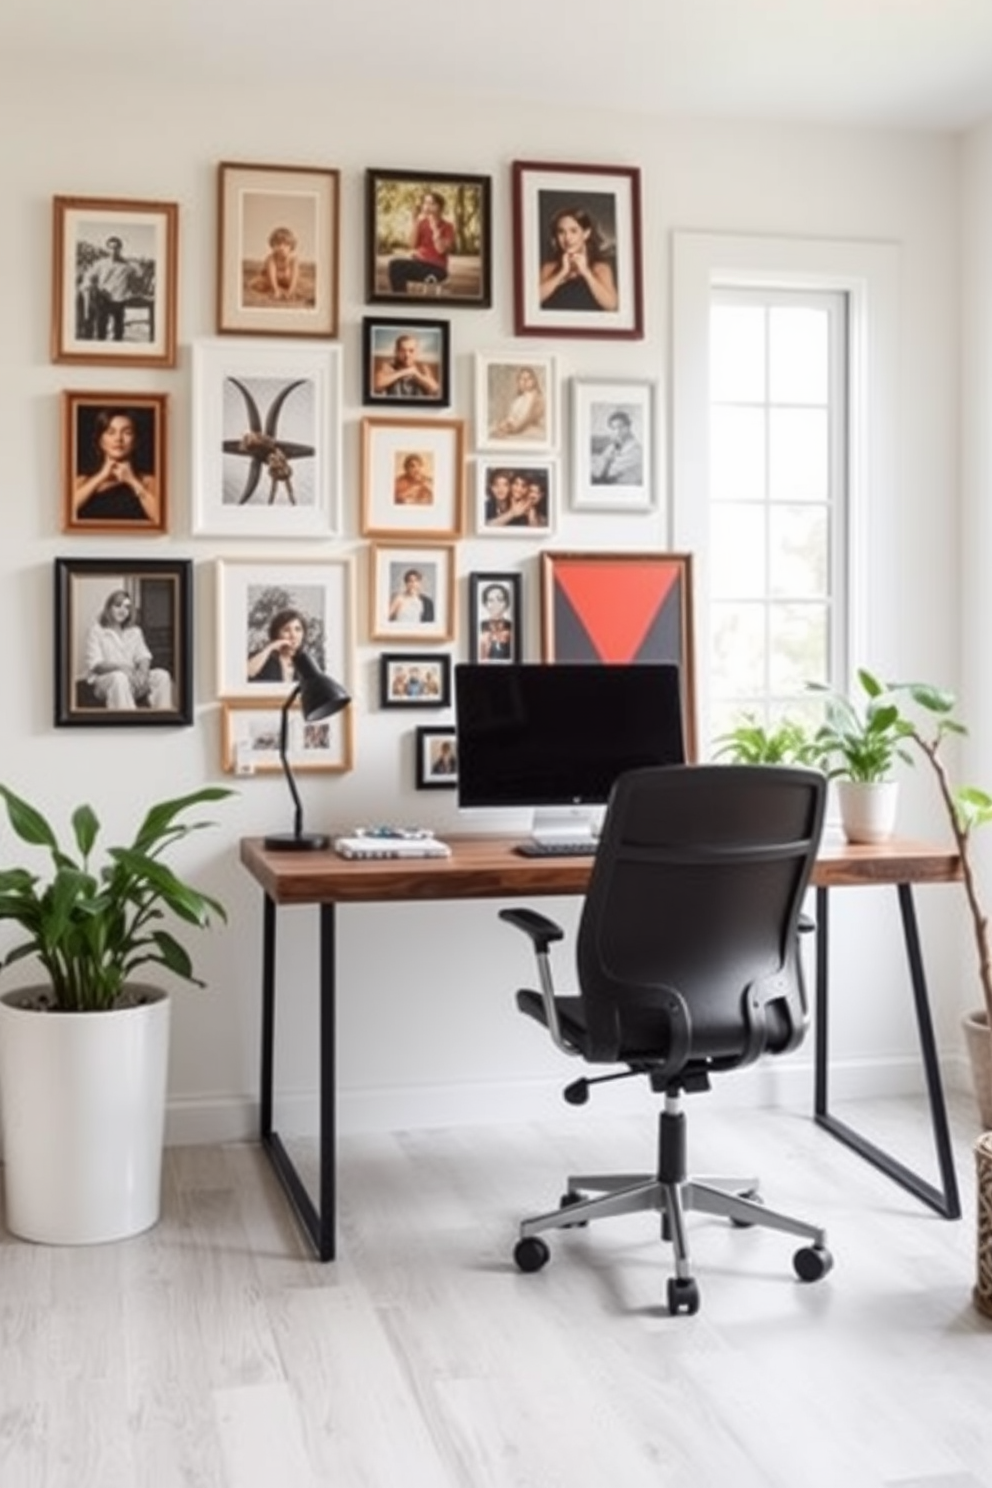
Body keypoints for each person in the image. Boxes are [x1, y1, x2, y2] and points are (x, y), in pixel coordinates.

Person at [84, 590, 172, 710]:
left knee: (162, 676)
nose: (122, 610)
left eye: (127, 607)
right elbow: (95, 665)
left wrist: (142, 673)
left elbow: (143, 656)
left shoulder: (135, 631)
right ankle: (129, 721)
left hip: (133, 679)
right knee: (119, 678)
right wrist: (122, 669)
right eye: (118, 605)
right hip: (107, 681)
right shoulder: (96, 631)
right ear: (109, 608)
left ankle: (162, 719)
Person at [72, 409, 158, 523]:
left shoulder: (149, 482)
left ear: (135, 440)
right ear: (101, 441)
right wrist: (101, 476)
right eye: (111, 432)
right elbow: (64, 512)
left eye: (127, 432)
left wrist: (133, 481)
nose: (118, 439)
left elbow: (161, 519)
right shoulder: (82, 481)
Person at [539, 207, 618, 313]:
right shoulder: (548, 268)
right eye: (561, 232)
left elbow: (611, 305)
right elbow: (531, 301)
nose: (567, 238)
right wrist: (562, 272)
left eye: (573, 231)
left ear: (586, 233)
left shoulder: (601, 268)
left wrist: (586, 272)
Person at [387, 191, 456, 294]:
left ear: (440, 207)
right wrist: (416, 221)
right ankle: (401, 302)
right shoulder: (421, 223)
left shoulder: (448, 226)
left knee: (397, 268)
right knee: (394, 265)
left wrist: (434, 228)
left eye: (431, 203)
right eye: (425, 203)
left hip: (437, 270)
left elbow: (440, 250)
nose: (427, 206)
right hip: (419, 264)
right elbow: (412, 245)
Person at [81, 236, 141, 341]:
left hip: (119, 300)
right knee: (101, 327)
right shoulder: (100, 264)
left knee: (118, 331)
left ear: (120, 248)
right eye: (111, 248)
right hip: (103, 299)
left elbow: (137, 280)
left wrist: (132, 290)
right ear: (107, 249)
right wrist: (90, 285)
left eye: (116, 247)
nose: (113, 250)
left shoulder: (128, 266)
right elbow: (88, 277)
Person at [247, 608, 308, 683]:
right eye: (286, 630)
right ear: (276, 634)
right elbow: (247, 673)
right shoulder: (264, 656)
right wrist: (270, 647)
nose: (293, 635)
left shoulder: (306, 662)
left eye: (298, 629)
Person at [375, 333, 440, 398]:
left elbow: (435, 389)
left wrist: (416, 374)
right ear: (396, 351)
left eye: (411, 351)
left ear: (417, 352)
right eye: (402, 351)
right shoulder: (388, 367)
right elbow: (377, 384)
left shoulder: (422, 368)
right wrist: (404, 372)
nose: (407, 355)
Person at [492, 366, 545, 440]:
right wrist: (502, 425)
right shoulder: (519, 399)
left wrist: (508, 430)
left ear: (534, 381)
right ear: (518, 381)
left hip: (528, 431)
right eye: (522, 379)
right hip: (515, 429)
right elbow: (511, 417)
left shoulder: (536, 397)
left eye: (529, 378)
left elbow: (525, 421)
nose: (525, 381)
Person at [591, 409, 643, 485]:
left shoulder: (635, 449)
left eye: (621, 427)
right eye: (614, 428)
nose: (617, 431)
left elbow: (608, 474)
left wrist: (604, 461)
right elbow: (596, 468)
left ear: (628, 427)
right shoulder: (613, 446)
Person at [250, 225, 300, 301]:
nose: (281, 247)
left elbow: (295, 276)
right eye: (278, 244)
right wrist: (275, 290)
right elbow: (271, 275)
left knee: (299, 286)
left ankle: (286, 290)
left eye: (286, 245)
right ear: (272, 245)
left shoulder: (293, 260)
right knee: (255, 284)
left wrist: (291, 291)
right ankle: (278, 289)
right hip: (271, 280)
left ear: (291, 247)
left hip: (287, 280)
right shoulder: (271, 259)